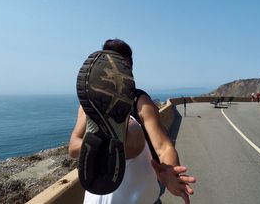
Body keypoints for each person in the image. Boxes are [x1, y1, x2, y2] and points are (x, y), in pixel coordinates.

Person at [69, 39, 196, 204]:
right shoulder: (88, 106)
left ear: (129, 71)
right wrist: (100, 145)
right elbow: (73, 147)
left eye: (122, 68)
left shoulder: (141, 102)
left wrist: (170, 169)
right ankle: (116, 138)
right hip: (99, 193)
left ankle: (121, 137)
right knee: (127, 134)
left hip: (141, 197)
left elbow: (164, 146)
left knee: (133, 130)